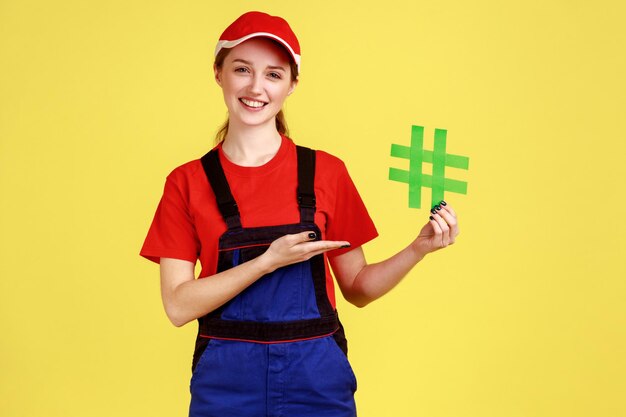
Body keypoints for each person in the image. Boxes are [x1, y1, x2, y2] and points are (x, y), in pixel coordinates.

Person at [140, 11, 459, 417]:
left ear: (292, 84)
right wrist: (267, 262)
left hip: (317, 385)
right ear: (218, 73)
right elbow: (178, 306)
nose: (256, 87)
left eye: (274, 74)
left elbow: (358, 288)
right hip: (226, 389)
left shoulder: (326, 172)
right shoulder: (187, 182)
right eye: (242, 69)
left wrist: (418, 248)